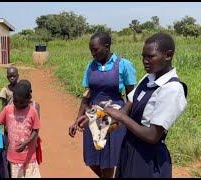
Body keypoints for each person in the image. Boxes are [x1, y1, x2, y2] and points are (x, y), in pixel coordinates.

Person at [102, 32, 188, 178]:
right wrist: (97, 117)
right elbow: (127, 108)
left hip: (147, 157)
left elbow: (153, 135)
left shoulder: (172, 89)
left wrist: (121, 119)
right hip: (129, 148)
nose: (145, 61)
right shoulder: (148, 78)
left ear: (168, 55)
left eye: (151, 56)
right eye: (143, 56)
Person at [68, 32, 137, 178]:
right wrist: (77, 120)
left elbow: (132, 98)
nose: (93, 53)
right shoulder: (90, 66)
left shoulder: (123, 65)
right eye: (91, 50)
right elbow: (86, 96)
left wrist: (121, 118)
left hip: (113, 117)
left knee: (108, 161)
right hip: (92, 116)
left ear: (107, 46)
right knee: (91, 159)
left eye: (96, 49)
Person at [0, 82, 41, 178]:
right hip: (14, 158)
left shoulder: (32, 111)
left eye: (21, 102)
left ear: (29, 99)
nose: (18, 104)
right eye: (15, 101)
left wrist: (26, 143)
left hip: (30, 157)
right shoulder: (8, 110)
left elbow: (35, 130)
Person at [18, 79, 43, 165]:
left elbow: (36, 127)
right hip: (18, 139)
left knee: (30, 162)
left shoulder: (35, 105)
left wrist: (34, 141)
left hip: (31, 139)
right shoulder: (16, 105)